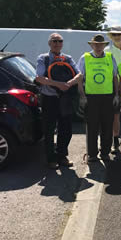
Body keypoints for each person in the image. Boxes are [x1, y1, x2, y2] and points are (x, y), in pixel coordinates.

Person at [36, 33, 82, 169]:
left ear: (62, 43)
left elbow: (79, 74)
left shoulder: (68, 58)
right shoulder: (43, 58)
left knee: (66, 129)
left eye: (59, 41)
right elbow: (39, 78)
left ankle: (62, 156)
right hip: (49, 99)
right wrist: (58, 84)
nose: (57, 43)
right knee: (49, 130)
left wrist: (69, 83)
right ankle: (51, 159)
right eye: (54, 41)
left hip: (65, 99)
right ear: (49, 43)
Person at [77, 34, 119, 163]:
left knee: (107, 125)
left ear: (104, 46)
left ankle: (105, 152)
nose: (98, 47)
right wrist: (82, 96)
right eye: (96, 44)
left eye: (101, 45)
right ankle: (92, 154)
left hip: (108, 96)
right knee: (92, 126)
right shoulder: (85, 58)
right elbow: (79, 78)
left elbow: (114, 77)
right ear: (92, 45)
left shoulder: (110, 57)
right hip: (91, 97)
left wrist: (116, 95)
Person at [106, 26, 121, 153]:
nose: (117, 36)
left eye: (119, 34)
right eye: (114, 34)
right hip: (113, 88)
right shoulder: (107, 51)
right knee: (114, 116)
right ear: (111, 36)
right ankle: (115, 142)